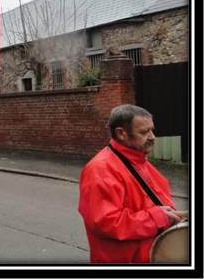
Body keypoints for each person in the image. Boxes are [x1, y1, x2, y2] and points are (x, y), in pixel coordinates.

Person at [78, 104, 186, 263]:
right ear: (121, 133)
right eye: (144, 132)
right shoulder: (100, 169)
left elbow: (157, 204)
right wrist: (157, 217)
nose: (152, 137)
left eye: (152, 129)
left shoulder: (139, 160)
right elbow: (106, 222)